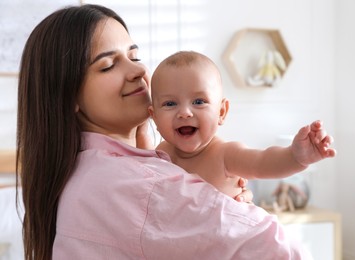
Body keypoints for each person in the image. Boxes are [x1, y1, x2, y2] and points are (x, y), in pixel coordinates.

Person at [17, 4, 313, 259]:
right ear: (69, 97)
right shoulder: (142, 186)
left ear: (222, 109)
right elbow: (284, 251)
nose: (136, 71)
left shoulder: (81, 171)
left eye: (134, 56)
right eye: (108, 65)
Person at [149, 51, 336, 199]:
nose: (185, 113)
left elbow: (262, 162)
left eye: (198, 101)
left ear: (221, 112)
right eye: (170, 104)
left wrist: (295, 157)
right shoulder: (159, 155)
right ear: (154, 117)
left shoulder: (226, 155)